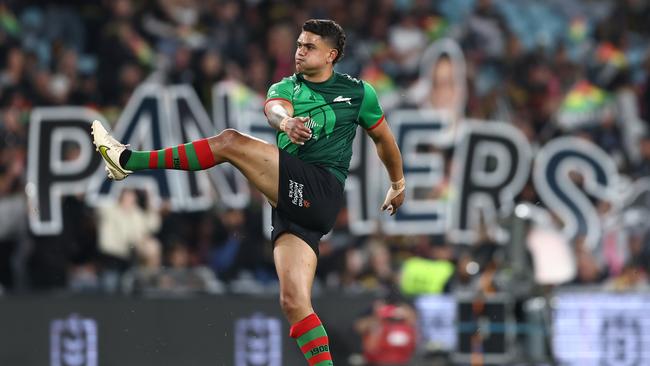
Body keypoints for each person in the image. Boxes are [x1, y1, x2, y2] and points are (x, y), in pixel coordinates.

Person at [92, 19, 405, 365]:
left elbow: (384, 140)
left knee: (230, 142)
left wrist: (398, 183)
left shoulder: (359, 92)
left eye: (309, 46)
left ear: (331, 55)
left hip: (320, 189)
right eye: (299, 45)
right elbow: (274, 110)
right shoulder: (286, 86)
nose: (299, 51)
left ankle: (128, 160)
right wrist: (285, 122)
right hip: (290, 205)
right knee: (293, 302)